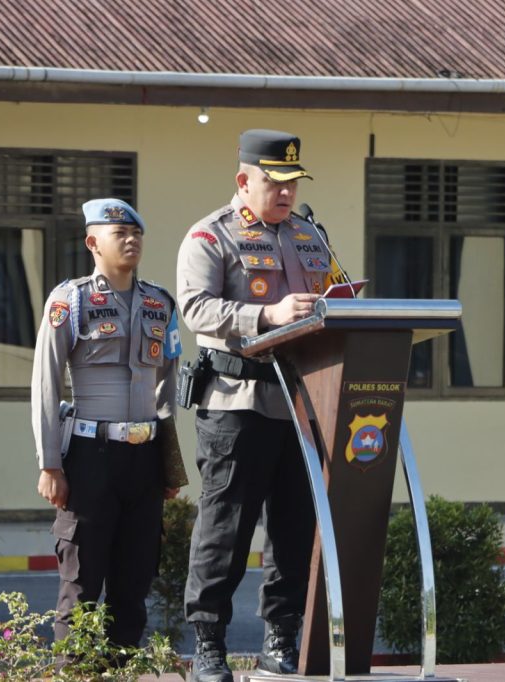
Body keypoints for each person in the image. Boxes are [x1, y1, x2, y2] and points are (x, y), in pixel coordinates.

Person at [176, 129, 338, 682]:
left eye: (294, 183)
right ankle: (208, 646)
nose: (287, 194)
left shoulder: (310, 234)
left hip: (301, 405)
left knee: (294, 531)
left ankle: (280, 637)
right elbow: (195, 309)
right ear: (244, 180)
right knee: (225, 530)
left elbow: (339, 296)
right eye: (276, 183)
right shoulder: (210, 236)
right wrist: (265, 316)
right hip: (236, 405)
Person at [31, 197, 186, 650]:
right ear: (92, 241)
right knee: (80, 588)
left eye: (137, 233)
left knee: (133, 590)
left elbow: (168, 388)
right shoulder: (70, 300)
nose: (132, 240)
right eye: (120, 234)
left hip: (143, 462)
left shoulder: (159, 303)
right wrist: (50, 463)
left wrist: (168, 463)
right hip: (88, 459)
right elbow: (45, 382)